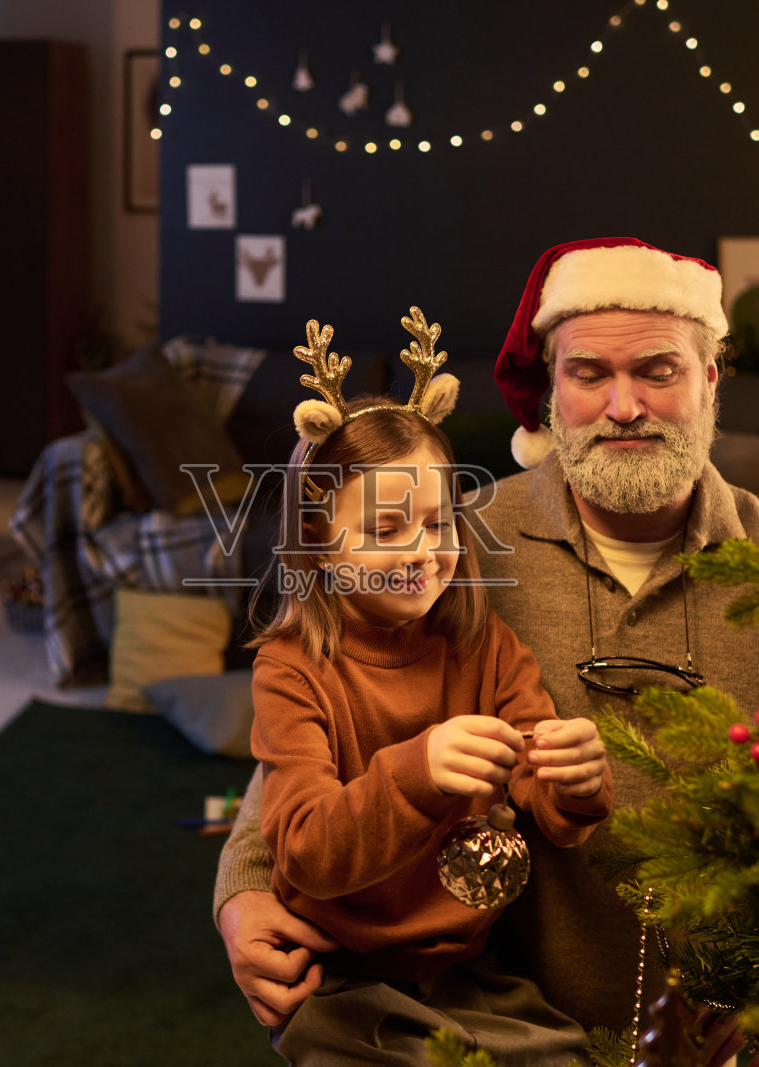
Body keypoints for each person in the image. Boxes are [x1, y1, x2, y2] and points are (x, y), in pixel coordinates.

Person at [216, 238, 759, 1043]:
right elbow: (314, 724)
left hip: (720, 1033)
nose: (622, 405)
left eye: (658, 370)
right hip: (497, 1005)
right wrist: (243, 886)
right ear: (552, 392)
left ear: (709, 377)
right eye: (588, 372)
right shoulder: (463, 543)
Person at [249, 313, 615, 1064]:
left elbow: (552, 812)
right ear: (317, 548)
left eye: (438, 521)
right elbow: (304, 851)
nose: (424, 551)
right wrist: (416, 772)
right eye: (387, 529)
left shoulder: (485, 648)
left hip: (472, 973)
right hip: (341, 982)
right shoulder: (292, 670)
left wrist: (573, 783)